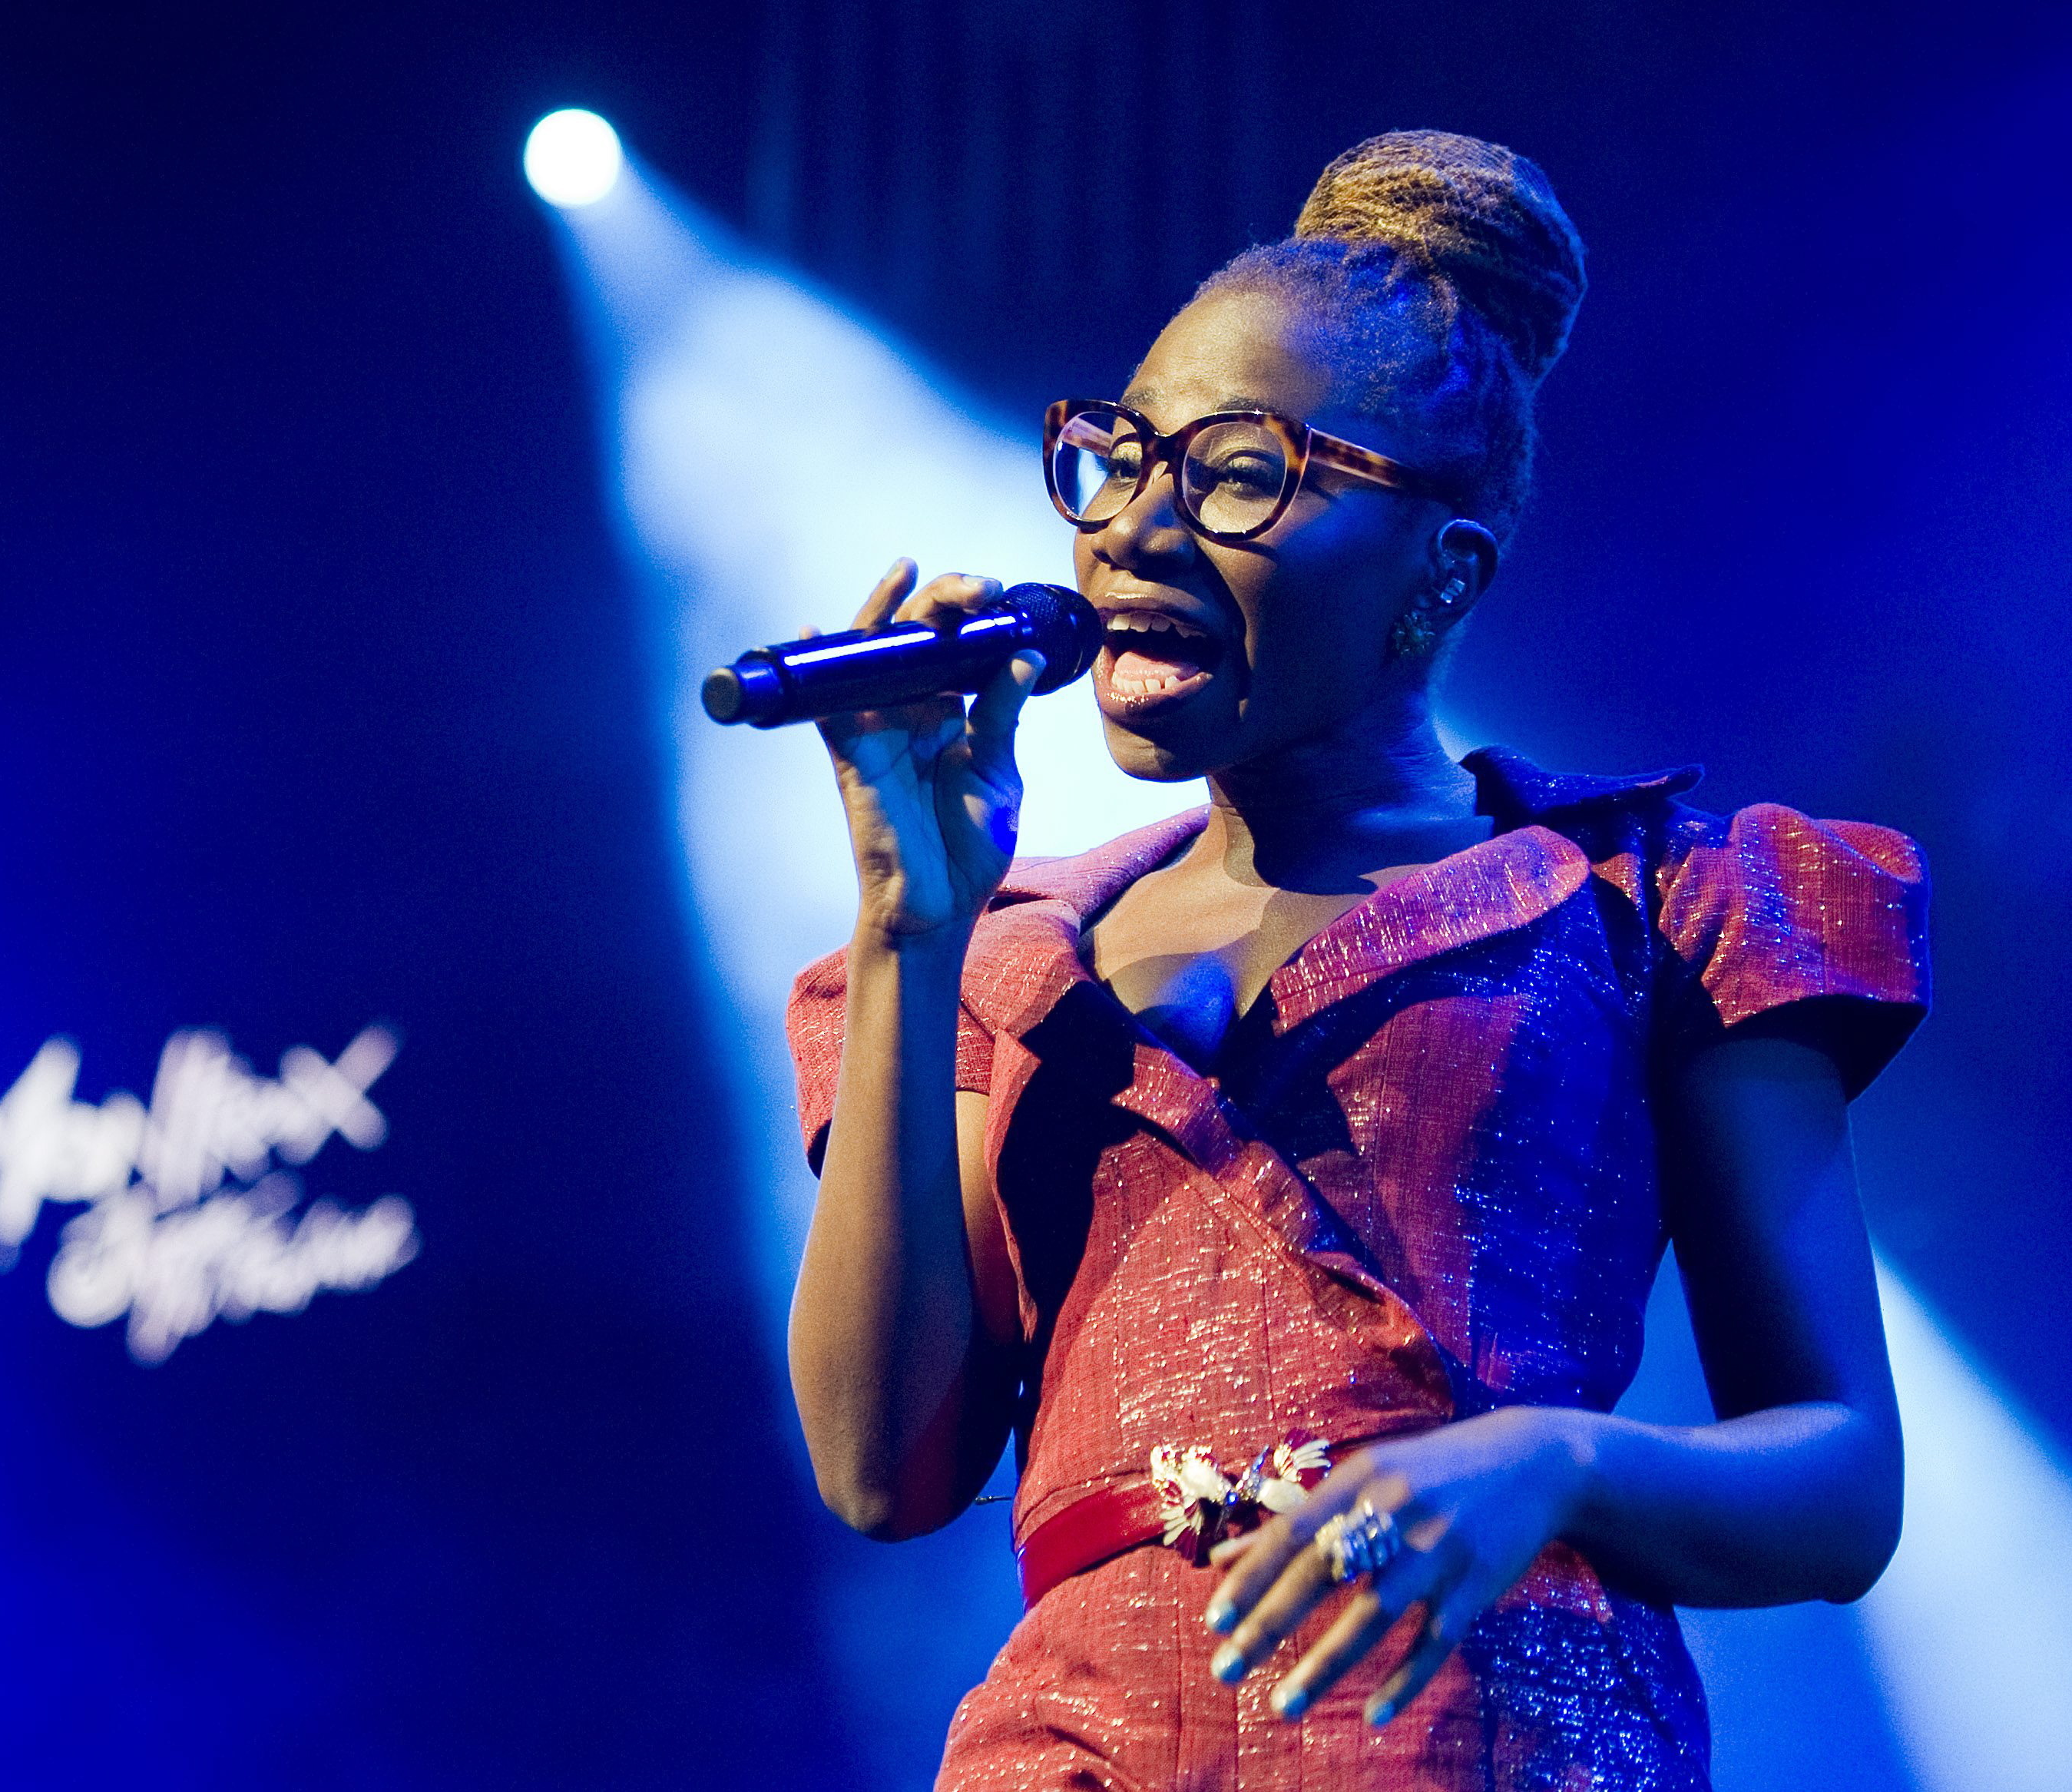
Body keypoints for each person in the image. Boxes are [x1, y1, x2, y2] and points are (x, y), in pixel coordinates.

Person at [781, 131, 1926, 1790]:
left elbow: (1838, 1486)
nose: (1131, 530)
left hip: (1486, 1739)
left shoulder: (1654, 903)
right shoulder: (1012, 951)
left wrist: (1556, 1466)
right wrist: (908, 917)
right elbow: (881, 1467)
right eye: (1120, 460)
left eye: (1239, 473)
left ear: (1437, 573)